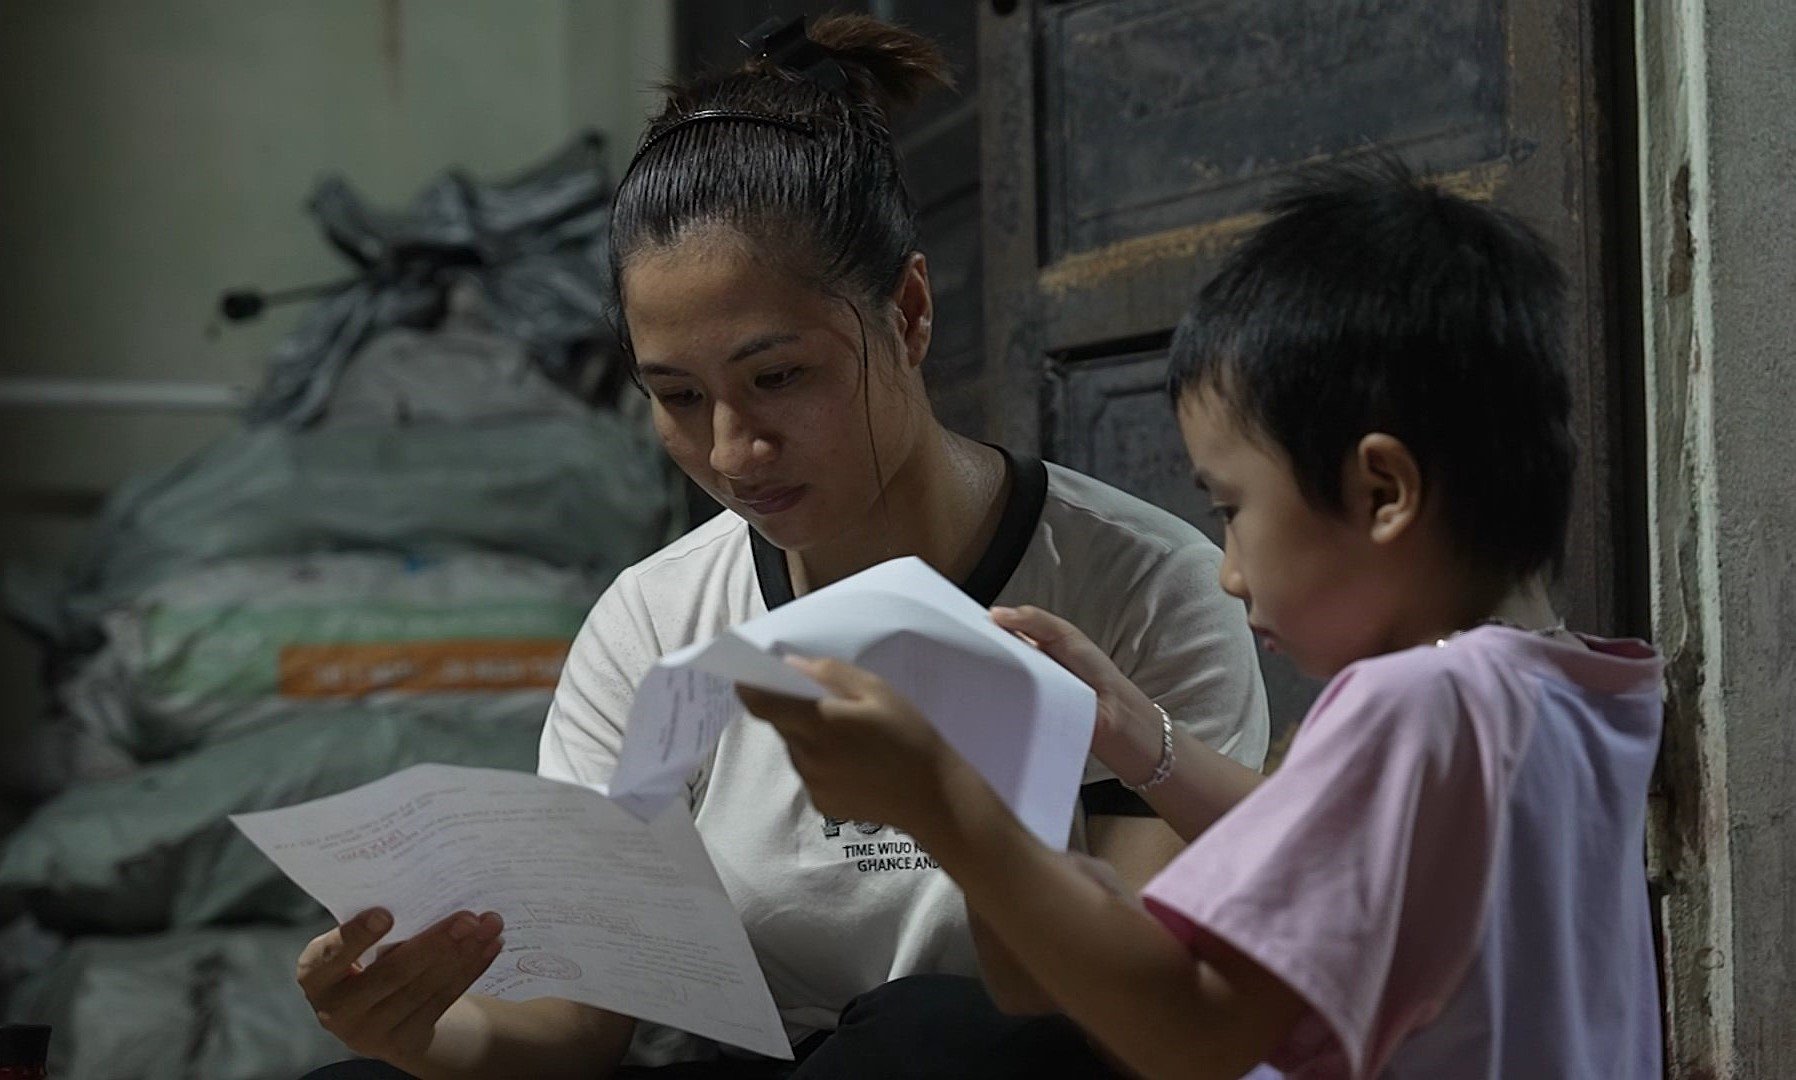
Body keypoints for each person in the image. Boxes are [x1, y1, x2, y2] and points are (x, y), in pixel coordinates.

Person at [293, 15, 1266, 1080]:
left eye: (778, 377)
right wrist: (416, 1025)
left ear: (906, 311)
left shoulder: (1142, 589)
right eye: (674, 396)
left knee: (938, 1041)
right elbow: (576, 1031)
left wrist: (951, 800)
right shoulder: (655, 620)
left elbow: (1147, 1019)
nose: (731, 450)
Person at [745, 160, 1665, 1079]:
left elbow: (1194, 1029)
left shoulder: (1414, 703)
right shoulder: (1575, 687)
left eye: (1232, 509)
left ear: (1383, 491)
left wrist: (942, 802)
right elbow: (1333, 836)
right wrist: (1138, 732)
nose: (1228, 574)